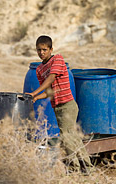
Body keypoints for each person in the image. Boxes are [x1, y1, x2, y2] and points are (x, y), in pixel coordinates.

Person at [26, 35, 94, 175]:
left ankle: (74, 168)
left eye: (44, 50)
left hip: (68, 105)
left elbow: (51, 77)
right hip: (57, 107)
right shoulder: (39, 70)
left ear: (51, 49)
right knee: (72, 137)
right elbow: (49, 91)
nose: (41, 53)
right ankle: (86, 167)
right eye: (39, 50)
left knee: (66, 136)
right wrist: (37, 97)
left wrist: (34, 93)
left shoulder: (58, 59)